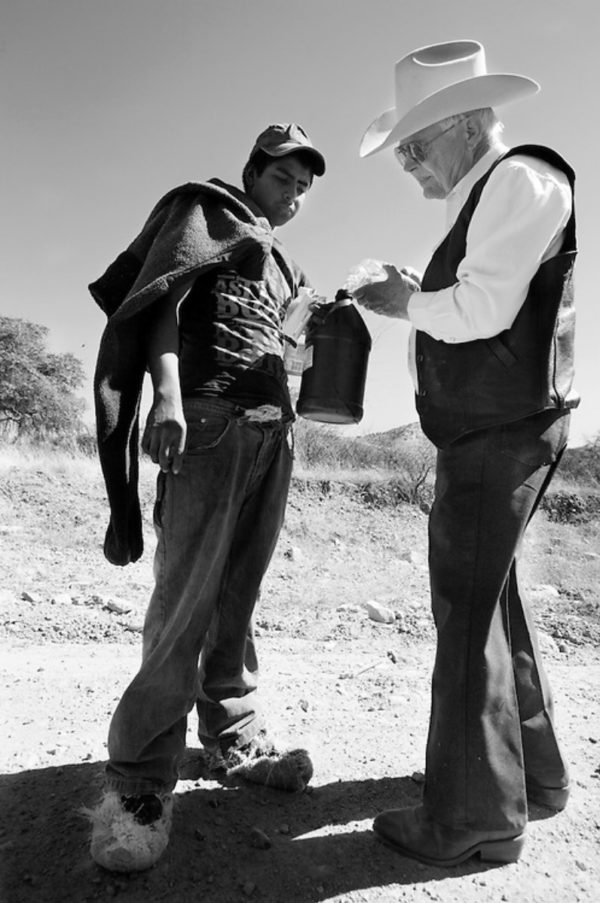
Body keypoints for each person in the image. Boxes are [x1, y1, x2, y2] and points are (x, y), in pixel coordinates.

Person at [354, 40, 578, 868]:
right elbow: (485, 297)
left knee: (466, 612)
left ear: (460, 122)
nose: (408, 161)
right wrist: (421, 291)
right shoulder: (497, 191)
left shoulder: (521, 178)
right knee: (493, 604)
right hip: (497, 428)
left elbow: (481, 310)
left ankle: (472, 815)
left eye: (415, 143)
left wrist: (405, 300)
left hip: (499, 433)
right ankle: (533, 779)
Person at [86, 123, 326, 872]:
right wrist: (169, 399)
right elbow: (159, 302)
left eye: (304, 187)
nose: (293, 195)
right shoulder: (206, 209)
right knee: (187, 596)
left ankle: (234, 736)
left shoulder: (283, 259)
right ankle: (137, 783)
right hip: (210, 424)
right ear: (253, 171)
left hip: (270, 435)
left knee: (238, 597)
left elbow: (286, 353)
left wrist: (311, 334)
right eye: (284, 178)